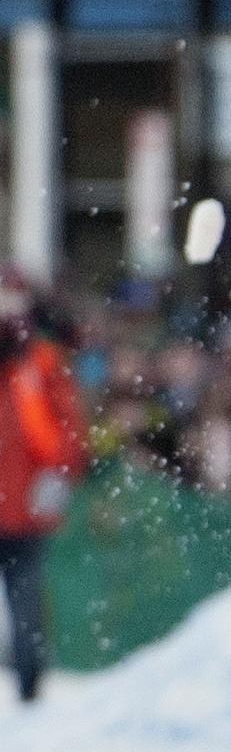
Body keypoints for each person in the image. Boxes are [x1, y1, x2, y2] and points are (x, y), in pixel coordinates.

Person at [0, 293, 90, 705]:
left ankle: (29, 685)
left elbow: (68, 429)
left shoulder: (41, 362)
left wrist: (61, 474)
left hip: (25, 511)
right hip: (17, 504)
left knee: (26, 603)